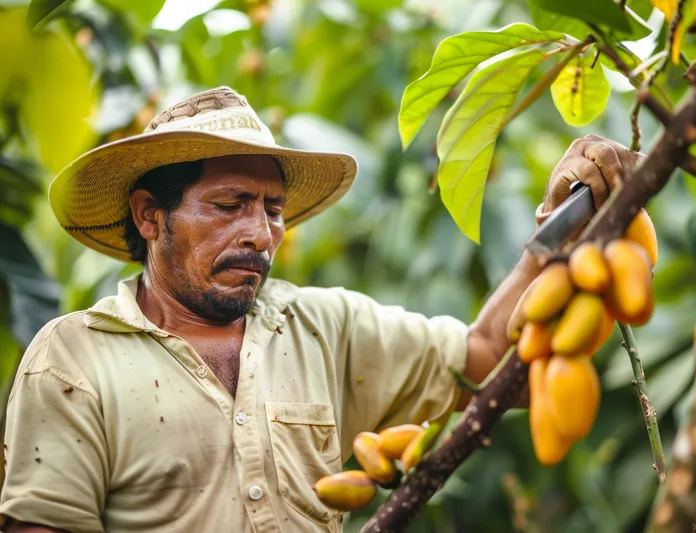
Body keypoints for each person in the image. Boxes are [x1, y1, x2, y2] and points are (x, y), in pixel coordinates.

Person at [0, 86, 641, 533]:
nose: (261, 233)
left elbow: (487, 359)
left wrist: (562, 224)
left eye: (272, 210)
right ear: (149, 215)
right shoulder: (74, 359)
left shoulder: (322, 327)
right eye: (229, 205)